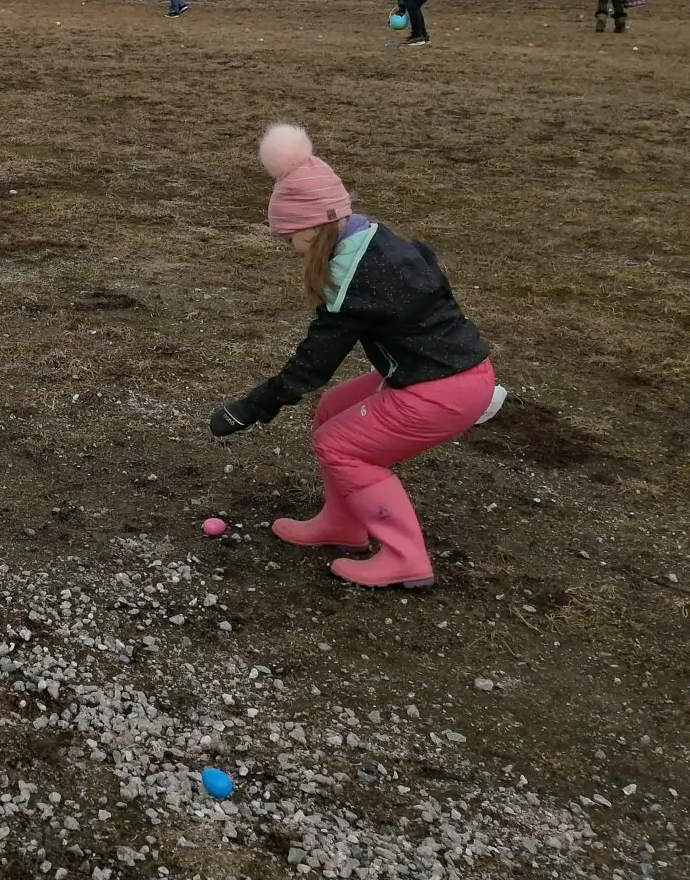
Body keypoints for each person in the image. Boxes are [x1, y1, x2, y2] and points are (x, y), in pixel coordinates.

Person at [209, 124, 506, 589]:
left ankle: (406, 557)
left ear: (313, 227)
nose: (288, 248)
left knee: (341, 446)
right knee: (333, 411)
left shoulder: (357, 278)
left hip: (442, 388)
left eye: (289, 237)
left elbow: (315, 361)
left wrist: (254, 405)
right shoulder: (376, 241)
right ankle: (343, 523)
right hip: (445, 373)